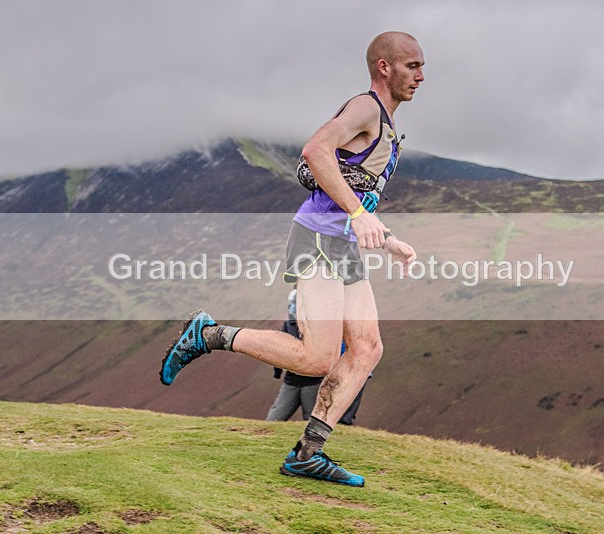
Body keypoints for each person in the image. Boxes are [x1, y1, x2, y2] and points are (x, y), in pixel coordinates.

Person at [160, 31, 424, 487]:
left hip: (342, 244)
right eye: (412, 66)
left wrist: (387, 238)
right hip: (318, 239)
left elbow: (350, 188)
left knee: (367, 348)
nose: (420, 76)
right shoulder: (366, 108)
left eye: (422, 67)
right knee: (319, 357)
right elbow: (314, 151)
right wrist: (359, 215)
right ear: (384, 67)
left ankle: (307, 453)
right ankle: (209, 334)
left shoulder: (384, 123)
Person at [266, 287, 370, 424]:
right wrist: (278, 371)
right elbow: (280, 347)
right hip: (292, 381)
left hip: (313, 381)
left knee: (313, 419)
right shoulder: (290, 324)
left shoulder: (321, 325)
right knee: (275, 417)